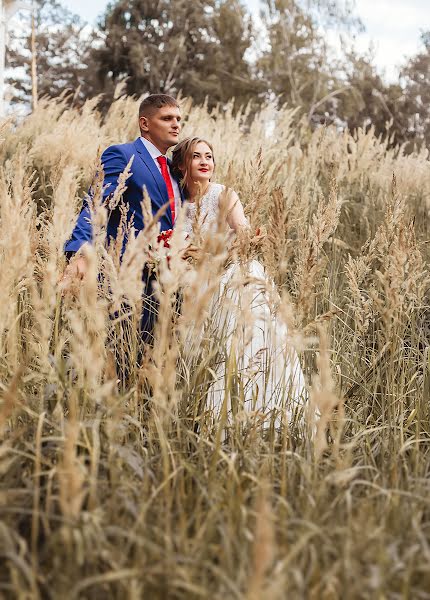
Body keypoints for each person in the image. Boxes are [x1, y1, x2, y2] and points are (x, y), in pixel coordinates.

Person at [171, 137, 306, 427]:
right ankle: (207, 419)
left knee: (245, 346)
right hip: (198, 284)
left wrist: (246, 239)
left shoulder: (224, 195)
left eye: (209, 156)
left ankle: (257, 416)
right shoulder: (175, 203)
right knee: (206, 353)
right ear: (182, 164)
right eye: (196, 156)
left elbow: (243, 229)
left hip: (235, 276)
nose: (205, 161)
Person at [63, 93, 183, 341]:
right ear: (145, 123)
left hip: (170, 284)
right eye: (167, 118)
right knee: (123, 358)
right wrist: (83, 251)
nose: (176, 124)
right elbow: (96, 203)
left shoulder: (175, 169)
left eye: (179, 119)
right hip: (128, 279)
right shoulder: (122, 154)